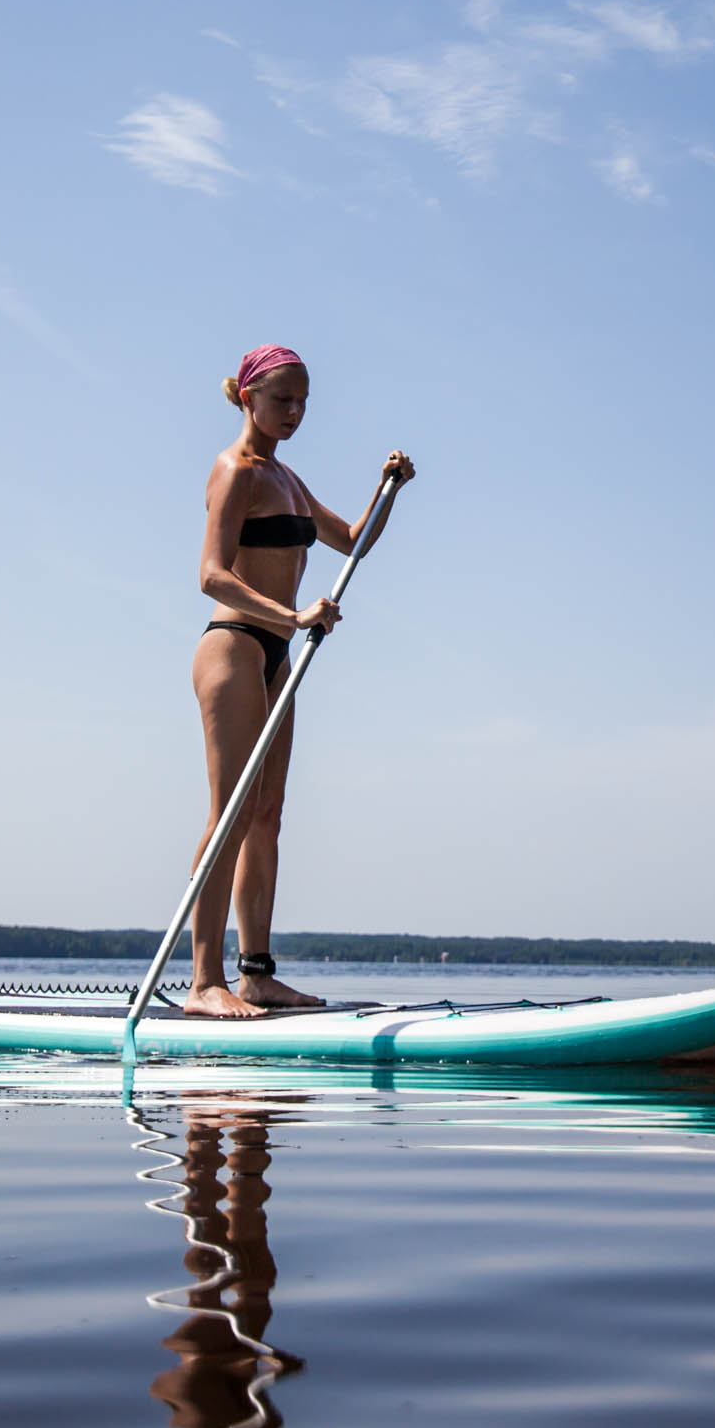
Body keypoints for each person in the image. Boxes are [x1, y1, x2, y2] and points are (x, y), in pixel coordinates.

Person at [186, 344, 413, 1016]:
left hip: (277, 655)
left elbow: (353, 539)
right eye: (283, 399)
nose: (295, 411)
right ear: (247, 397)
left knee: (267, 814)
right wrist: (291, 615)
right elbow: (210, 575)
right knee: (231, 813)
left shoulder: (286, 478)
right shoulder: (235, 471)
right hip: (233, 647)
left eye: (304, 401)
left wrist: (388, 490)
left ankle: (255, 975)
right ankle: (203, 983)